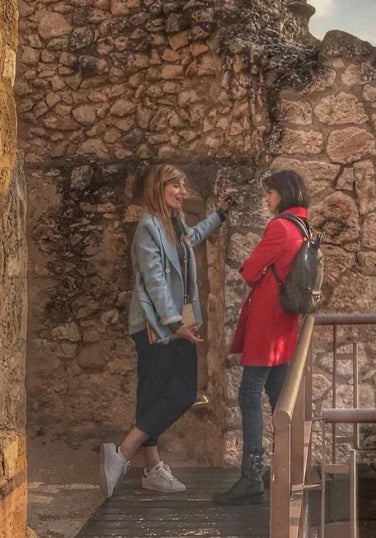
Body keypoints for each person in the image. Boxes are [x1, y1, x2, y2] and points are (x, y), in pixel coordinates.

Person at [99, 164, 233, 498]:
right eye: (177, 186)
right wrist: (176, 325)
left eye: (184, 186)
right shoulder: (148, 227)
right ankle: (127, 453)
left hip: (177, 321)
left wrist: (221, 215)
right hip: (155, 325)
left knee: (166, 394)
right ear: (161, 188)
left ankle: (146, 465)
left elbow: (195, 237)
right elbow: (155, 281)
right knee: (169, 393)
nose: (184, 192)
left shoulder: (175, 224)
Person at [212, 169, 310, 506]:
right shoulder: (303, 226)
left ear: (283, 193)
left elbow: (251, 270)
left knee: (249, 395)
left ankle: (252, 476)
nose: (267, 199)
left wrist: (260, 270)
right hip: (285, 326)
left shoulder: (280, 227)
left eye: (269, 193)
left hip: (268, 325)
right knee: (277, 397)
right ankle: (284, 468)